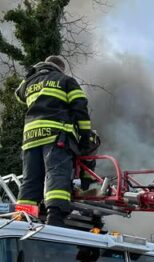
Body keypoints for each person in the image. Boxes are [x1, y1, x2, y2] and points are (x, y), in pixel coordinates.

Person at [15, 55, 93, 227]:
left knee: (31, 179)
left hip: (31, 138)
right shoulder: (66, 81)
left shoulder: (29, 82)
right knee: (57, 174)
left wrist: (32, 74)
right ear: (60, 69)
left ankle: (22, 217)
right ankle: (55, 217)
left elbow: (19, 95)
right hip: (56, 135)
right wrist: (85, 138)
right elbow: (80, 109)